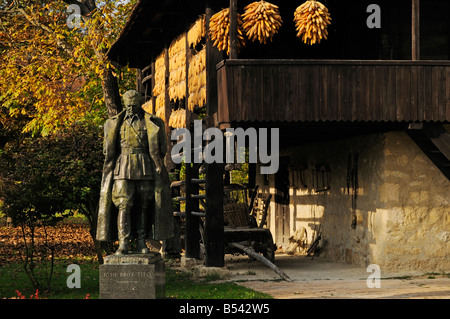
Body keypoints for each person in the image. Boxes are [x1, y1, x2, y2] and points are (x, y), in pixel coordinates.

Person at [96, 90, 174, 255]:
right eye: (128, 106)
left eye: (134, 105)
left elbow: (161, 149)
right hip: (122, 167)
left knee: (143, 206)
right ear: (124, 105)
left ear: (140, 104)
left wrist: (158, 164)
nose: (131, 109)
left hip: (144, 167)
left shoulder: (153, 122)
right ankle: (123, 243)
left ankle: (141, 242)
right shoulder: (113, 123)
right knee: (123, 205)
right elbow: (108, 149)